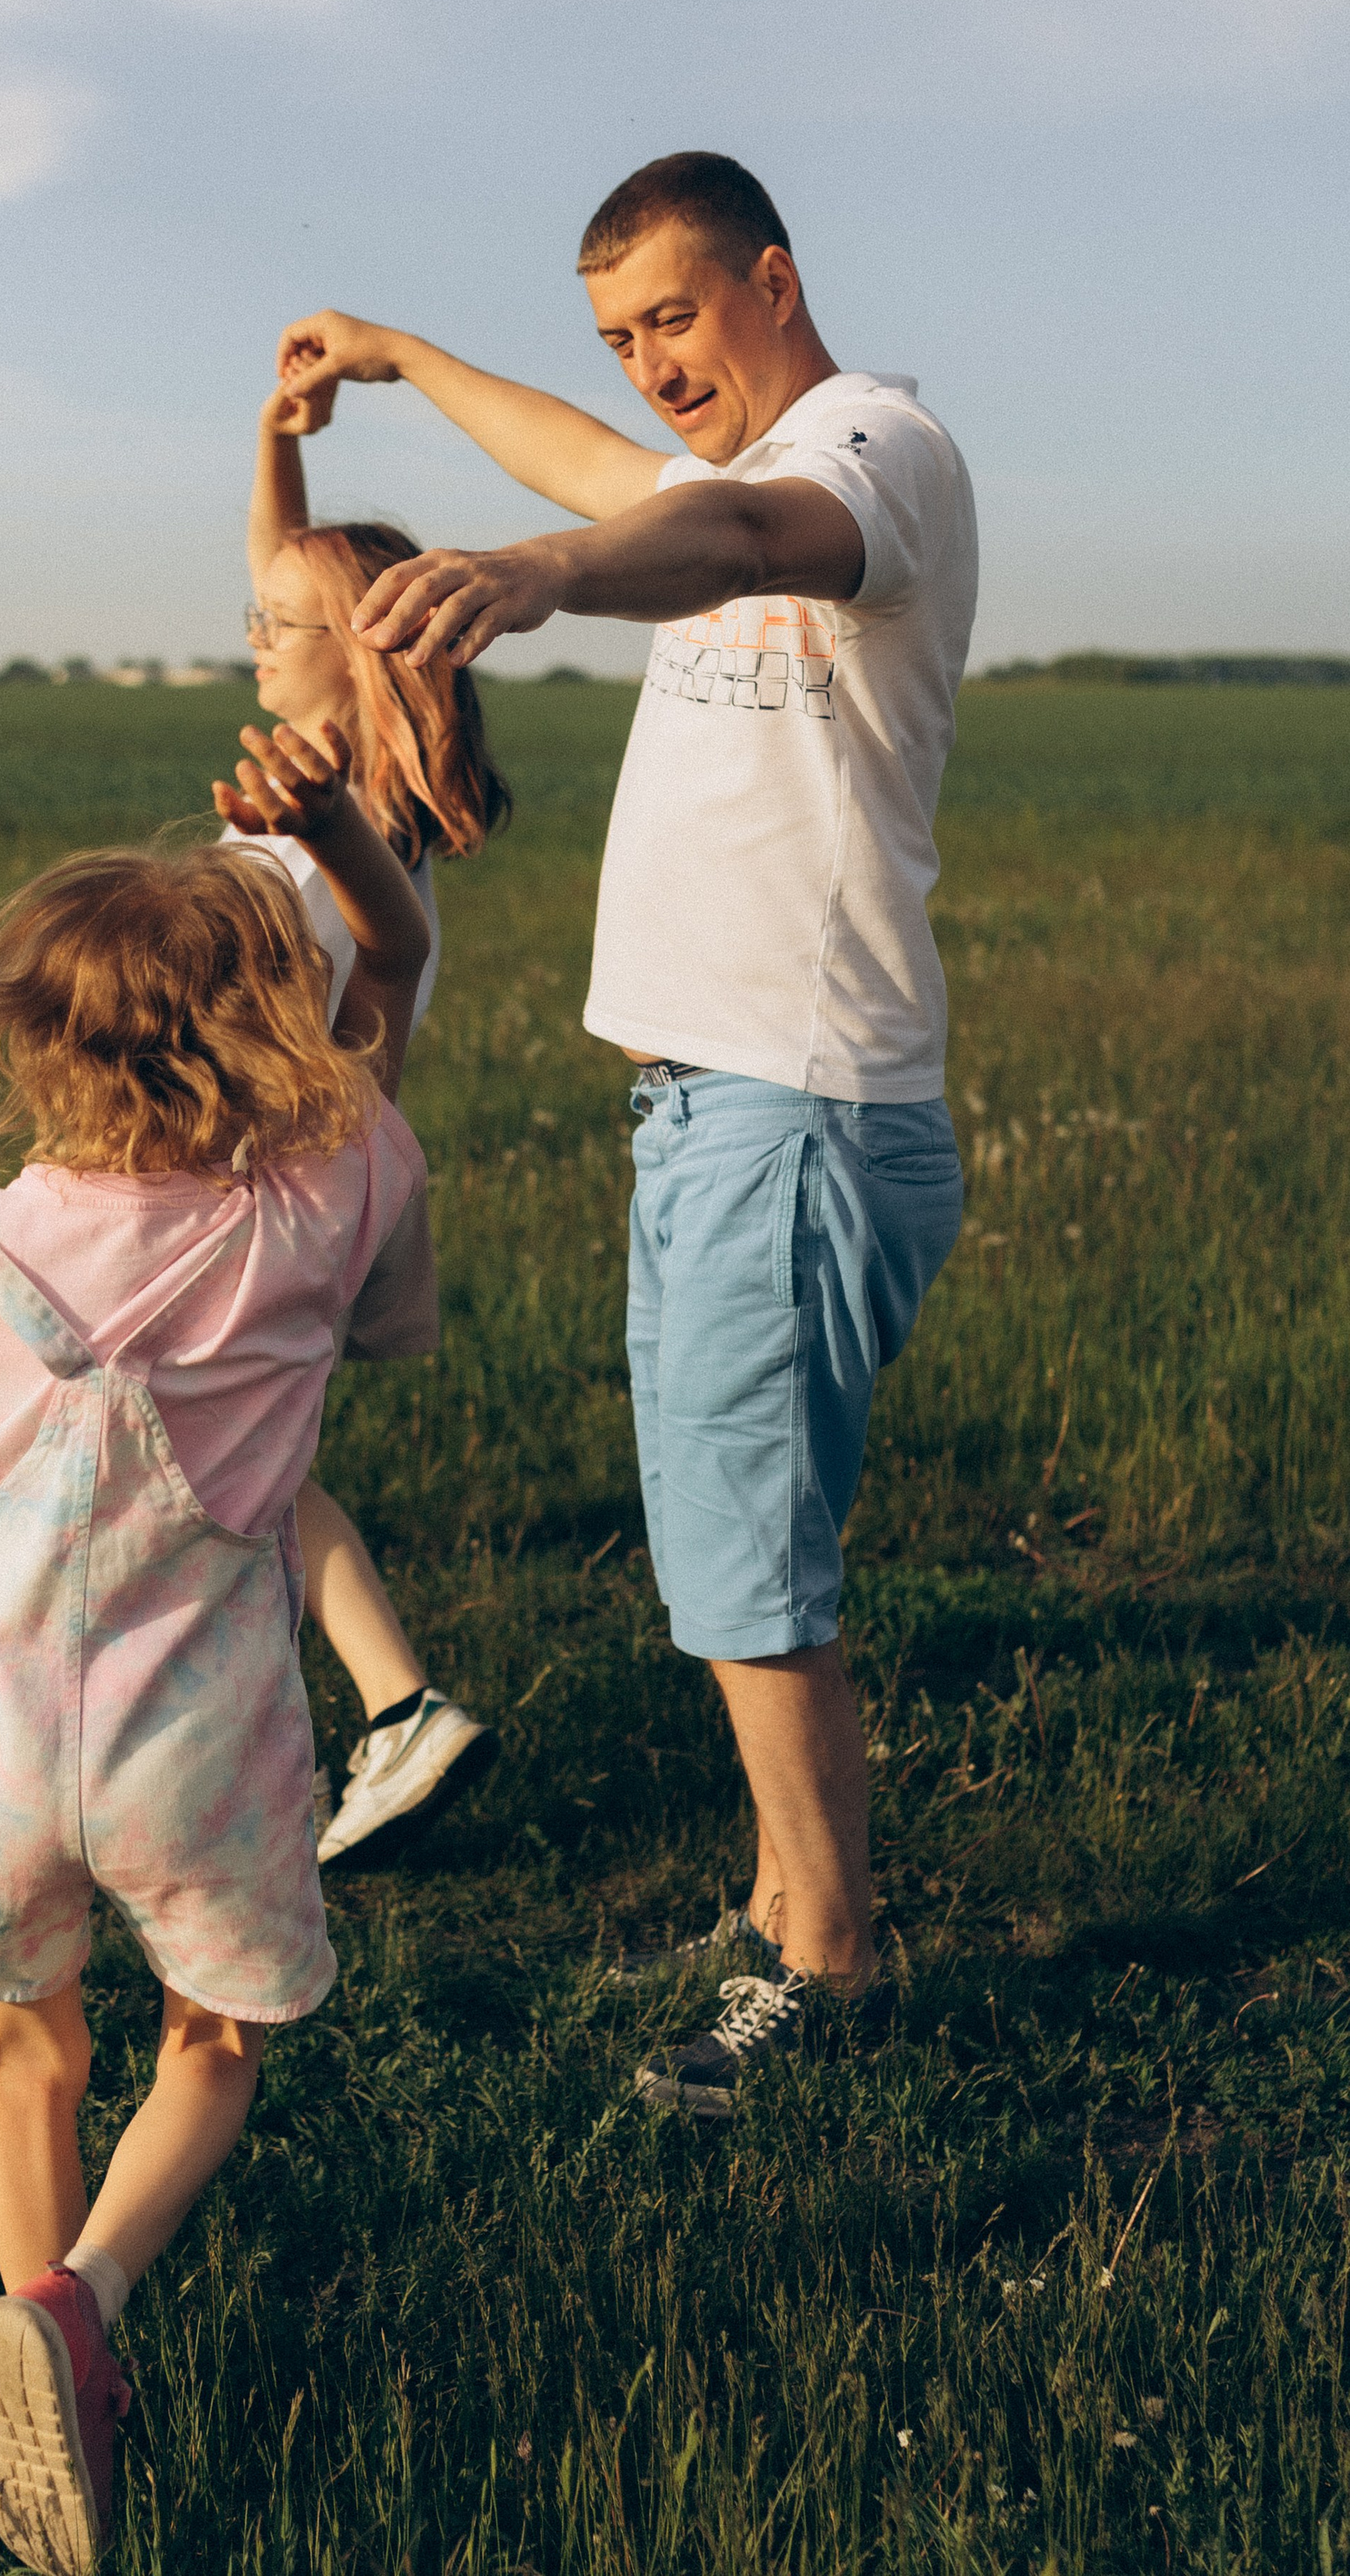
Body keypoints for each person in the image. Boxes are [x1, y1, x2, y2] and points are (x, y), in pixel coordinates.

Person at [275, 150, 974, 2115]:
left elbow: (724, 525)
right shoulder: (705, 472)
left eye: (673, 315)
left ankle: (827, 1972)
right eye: (618, 336)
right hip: (709, 1108)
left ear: (774, 278)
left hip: (797, 1105)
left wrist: (541, 574)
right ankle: (779, 1905)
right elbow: (603, 465)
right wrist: (403, 357)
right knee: (723, 1540)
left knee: (749, 1568)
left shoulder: (873, 449)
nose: (649, 363)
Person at [0, 713, 430, 2574]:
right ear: (275, 1025)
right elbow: (394, 988)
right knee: (212, 2036)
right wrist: (342, 846)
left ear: (35, 1040)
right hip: (204, 1745)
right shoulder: (331, 1196)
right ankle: (81, 2306)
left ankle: (34, 2360)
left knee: (24, 2047)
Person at [233, 372, 511, 1864]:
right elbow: (287, 573)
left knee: (237, 1463)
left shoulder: (309, 842)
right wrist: (278, 435)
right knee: (243, 1462)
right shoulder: (364, 808)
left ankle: (395, 1712)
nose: (250, 637)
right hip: (337, 1186)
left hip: (273, 1190)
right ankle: (354, 1718)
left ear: (351, 657)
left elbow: (256, 1050)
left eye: (277, 627)